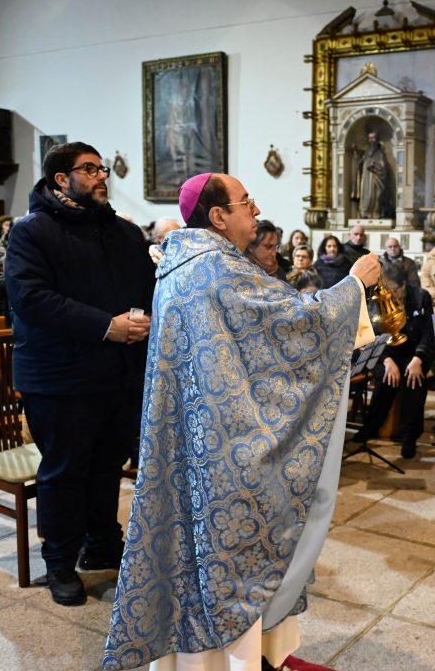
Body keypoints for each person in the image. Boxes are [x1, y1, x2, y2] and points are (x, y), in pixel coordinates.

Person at [104, 171, 380, 671]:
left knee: (195, 555)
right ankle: (241, 661)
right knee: (239, 556)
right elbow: (300, 325)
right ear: (218, 216)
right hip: (227, 451)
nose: (255, 210)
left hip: (194, 443)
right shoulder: (217, 269)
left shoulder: (178, 265)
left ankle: (237, 657)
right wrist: (356, 285)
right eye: (246, 202)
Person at [5, 141, 155, 607]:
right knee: (65, 472)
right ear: (60, 180)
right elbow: (32, 299)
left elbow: (149, 288)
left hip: (116, 375)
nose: (100, 176)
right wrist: (106, 326)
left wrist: (146, 317)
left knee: (107, 465)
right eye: (88, 169)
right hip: (59, 377)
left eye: (101, 168)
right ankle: (59, 562)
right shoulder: (32, 232)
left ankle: (101, 545)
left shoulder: (124, 234)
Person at [353, 263, 434, 459]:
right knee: (385, 379)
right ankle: (372, 426)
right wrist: (387, 360)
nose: (388, 293)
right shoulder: (377, 297)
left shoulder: (421, 297)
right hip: (386, 350)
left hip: (413, 351)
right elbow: (370, 334)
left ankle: (409, 437)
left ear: (404, 284)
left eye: (393, 289)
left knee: (414, 380)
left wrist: (419, 358)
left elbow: (428, 333)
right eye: (386, 288)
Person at [354, 131, 393, 220]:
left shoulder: (380, 152)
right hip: (366, 177)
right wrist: (357, 154)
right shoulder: (367, 151)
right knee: (366, 194)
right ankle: (365, 213)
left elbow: (383, 165)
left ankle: (376, 212)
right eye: (370, 138)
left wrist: (374, 165)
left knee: (375, 195)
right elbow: (361, 161)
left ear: (377, 139)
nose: (371, 140)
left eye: (373, 138)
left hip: (375, 177)